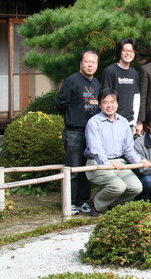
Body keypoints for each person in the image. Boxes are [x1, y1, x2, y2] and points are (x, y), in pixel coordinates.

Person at [84, 89, 151, 217]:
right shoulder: (93, 122)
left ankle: (112, 206)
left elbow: (129, 149)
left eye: (112, 102)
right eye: (105, 102)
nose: (109, 105)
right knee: (118, 186)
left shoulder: (124, 122)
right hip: (98, 163)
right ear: (100, 105)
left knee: (136, 187)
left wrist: (139, 161)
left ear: (117, 104)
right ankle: (95, 204)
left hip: (119, 162)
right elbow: (95, 149)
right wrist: (107, 164)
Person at [55, 50, 101, 215]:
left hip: (91, 133)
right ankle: (70, 202)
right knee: (73, 170)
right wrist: (69, 118)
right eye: (87, 61)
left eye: (93, 62)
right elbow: (60, 102)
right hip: (74, 131)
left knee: (86, 170)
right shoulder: (72, 80)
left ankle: (82, 201)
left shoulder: (96, 82)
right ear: (81, 63)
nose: (90, 65)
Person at [102, 38, 140, 134]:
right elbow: (105, 98)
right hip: (113, 121)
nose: (128, 53)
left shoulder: (134, 73)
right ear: (119, 52)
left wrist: (134, 122)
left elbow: (136, 98)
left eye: (131, 51)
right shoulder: (110, 71)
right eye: (125, 50)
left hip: (130, 122)